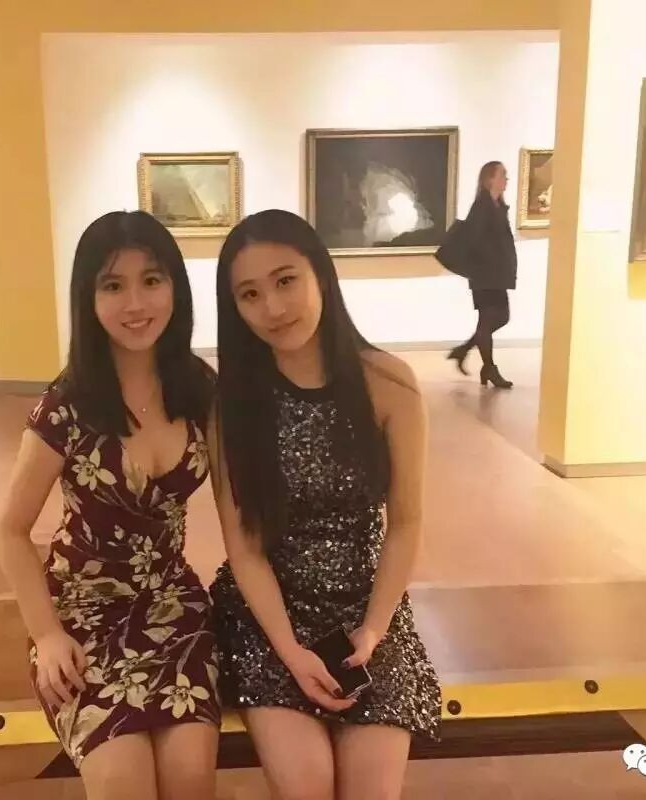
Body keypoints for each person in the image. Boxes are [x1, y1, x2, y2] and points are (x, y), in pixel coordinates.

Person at [208, 209, 441, 799]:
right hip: (268, 616)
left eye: (286, 280)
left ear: (321, 274)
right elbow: (244, 548)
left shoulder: (389, 384)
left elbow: (405, 523)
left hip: (367, 609)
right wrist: (290, 651)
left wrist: (374, 629)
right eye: (249, 294)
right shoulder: (232, 402)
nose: (273, 307)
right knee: (306, 786)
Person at [0, 211, 221, 800]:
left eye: (152, 279)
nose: (135, 303)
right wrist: (46, 635)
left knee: (191, 777)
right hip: (81, 614)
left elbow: (244, 522)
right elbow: (9, 529)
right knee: (122, 782)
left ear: (175, 286)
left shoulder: (199, 389)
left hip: (173, 606)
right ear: (88, 299)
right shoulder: (67, 403)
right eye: (113, 285)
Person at [446, 161, 518, 388]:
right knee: (489, 321)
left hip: (494, 275)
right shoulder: (482, 206)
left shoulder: (497, 206)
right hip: (485, 275)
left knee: (499, 318)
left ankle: (464, 351)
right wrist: (492, 262)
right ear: (489, 180)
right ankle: (488, 367)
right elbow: (475, 241)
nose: (506, 179)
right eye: (502, 175)